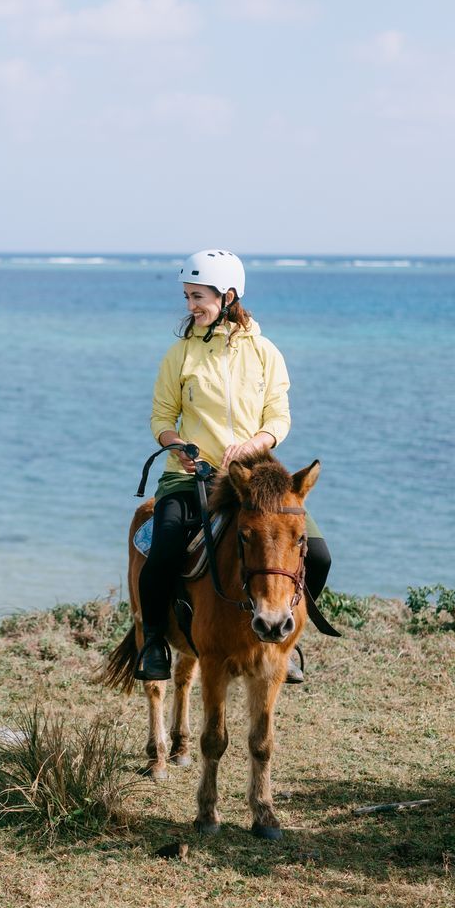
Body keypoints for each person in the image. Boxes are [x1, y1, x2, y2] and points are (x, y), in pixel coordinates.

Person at [136, 249, 331, 682]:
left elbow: (278, 418)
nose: (190, 306)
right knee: (164, 550)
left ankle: (287, 639)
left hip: (254, 479)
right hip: (190, 477)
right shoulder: (179, 355)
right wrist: (178, 445)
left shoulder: (265, 353)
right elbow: (161, 418)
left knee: (318, 555)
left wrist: (254, 444)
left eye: (197, 297)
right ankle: (153, 642)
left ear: (227, 296)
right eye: (187, 296)